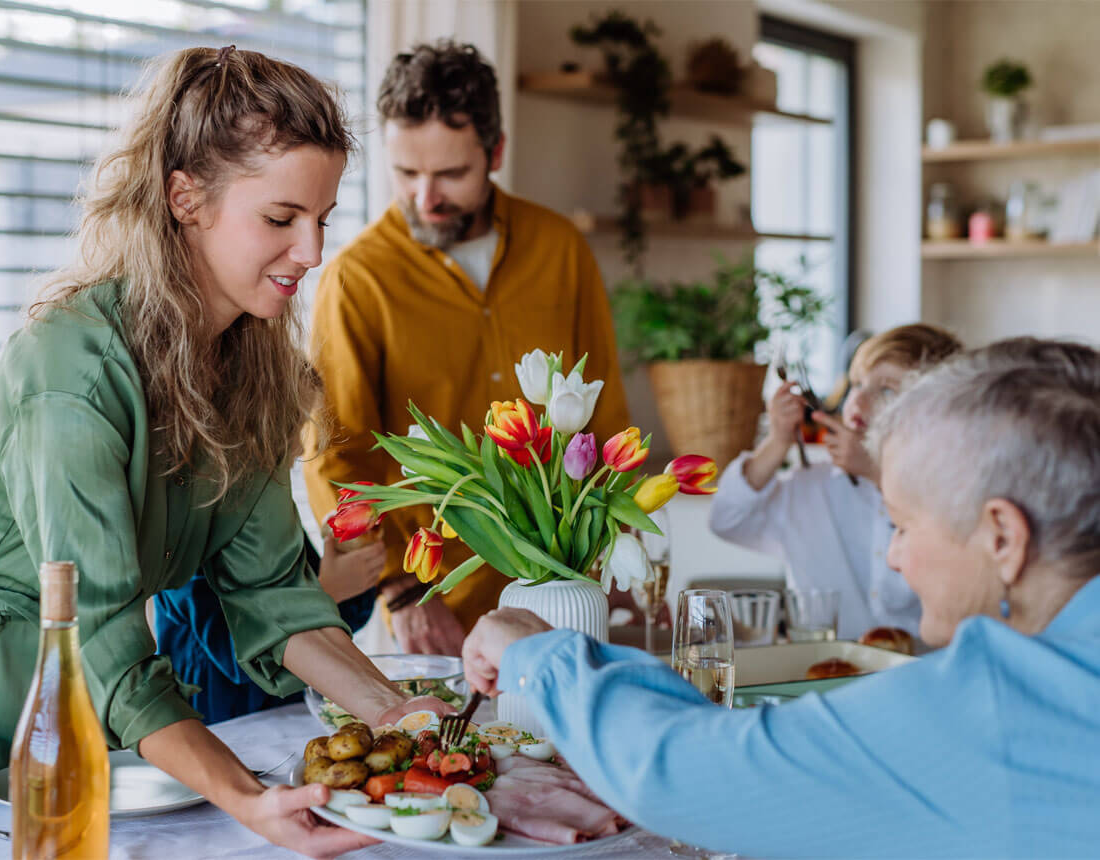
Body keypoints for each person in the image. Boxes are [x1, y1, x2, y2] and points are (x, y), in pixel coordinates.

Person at [0, 46, 448, 857]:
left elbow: (274, 594)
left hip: (100, 745)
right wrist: (252, 801)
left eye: (322, 219)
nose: (313, 252)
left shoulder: (246, 368)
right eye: (281, 219)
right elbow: (97, 639)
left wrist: (398, 715)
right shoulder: (69, 370)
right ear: (186, 196)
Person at [462, 337, 1100, 858]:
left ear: (1003, 536)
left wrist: (540, 652)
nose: (894, 554)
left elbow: (687, 774)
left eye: (903, 524)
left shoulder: (991, 705)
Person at [302, 40, 629, 655]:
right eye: (406, 173)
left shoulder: (561, 248)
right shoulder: (356, 278)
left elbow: (604, 413)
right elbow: (338, 457)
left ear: (496, 152)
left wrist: (615, 560)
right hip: (428, 607)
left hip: (563, 590)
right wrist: (398, 590)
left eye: (450, 174)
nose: (426, 197)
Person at [708, 324, 962, 639]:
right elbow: (726, 519)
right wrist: (777, 442)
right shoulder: (810, 486)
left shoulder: (952, 498)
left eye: (886, 390)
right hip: (824, 670)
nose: (859, 400)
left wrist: (879, 475)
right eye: (857, 383)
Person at [153, 532, 382, 724]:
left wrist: (350, 562)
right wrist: (329, 589)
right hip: (223, 721)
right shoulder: (183, 544)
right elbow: (238, 655)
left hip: (294, 707)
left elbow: (343, 620)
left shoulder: (276, 526)